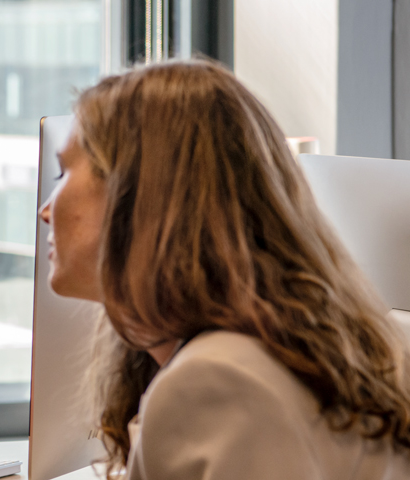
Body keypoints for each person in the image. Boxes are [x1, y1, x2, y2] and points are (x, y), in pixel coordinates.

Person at [39, 59, 410, 479]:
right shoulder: (328, 349)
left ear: (141, 196)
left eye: (63, 172)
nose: (46, 210)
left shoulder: (217, 380)